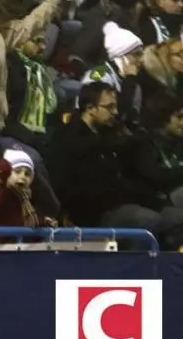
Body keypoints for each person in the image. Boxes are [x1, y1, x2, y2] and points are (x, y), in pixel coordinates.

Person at [51, 82, 183, 246]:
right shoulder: (70, 139)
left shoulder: (110, 134)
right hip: (93, 213)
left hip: (122, 201)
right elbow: (78, 187)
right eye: (110, 107)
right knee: (148, 220)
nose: (115, 112)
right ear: (90, 108)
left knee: (177, 218)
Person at [0, 148, 53, 232]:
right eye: (17, 171)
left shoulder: (25, 198)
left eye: (27, 174)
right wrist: (4, 165)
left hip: (17, 239)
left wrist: (43, 221)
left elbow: (23, 220)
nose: (22, 176)